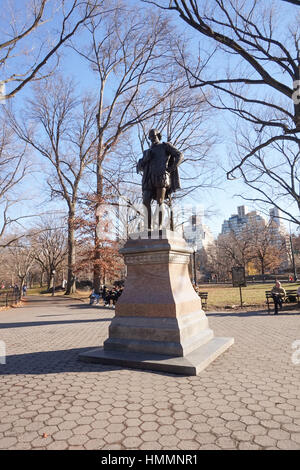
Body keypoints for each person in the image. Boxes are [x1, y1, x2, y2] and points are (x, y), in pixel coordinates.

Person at [137, 128, 183, 231]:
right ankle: (148, 228)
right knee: (145, 201)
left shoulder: (165, 146)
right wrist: (145, 159)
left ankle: (160, 227)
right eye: (151, 137)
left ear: (159, 136)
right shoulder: (147, 152)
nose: (153, 138)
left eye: (154, 136)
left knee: (160, 201)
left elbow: (180, 155)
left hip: (161, 176)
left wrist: (171, 168)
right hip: (148, 178)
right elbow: (139, 167)